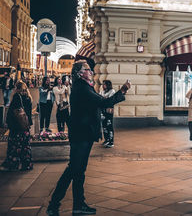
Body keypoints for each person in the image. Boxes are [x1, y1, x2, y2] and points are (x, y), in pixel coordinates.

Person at [46, 60, 131, 216]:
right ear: (80, 73)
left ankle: (79, 205)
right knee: (73, 170)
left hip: (83, 134)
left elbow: (99, 103)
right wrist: (123, 91)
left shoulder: (84, 87)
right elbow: (103, 102)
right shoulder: (83, 89)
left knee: (79, 171)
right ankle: (54, 204)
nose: (91, 71)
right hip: (81, 135)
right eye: (88, 69)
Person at [0, 81, 33, 171]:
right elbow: (28, 114)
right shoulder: (28, 97)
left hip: (17, 127)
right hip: (25, 126)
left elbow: (12, 112)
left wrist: (8, 123)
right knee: (25, 146)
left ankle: (13, 163)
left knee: (15, 146)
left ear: (17, 88)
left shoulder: (16, 97)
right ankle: (27, 164)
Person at [100, 80, 116, 148]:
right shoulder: (102, 91)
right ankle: (106, 140)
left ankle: (111, 141)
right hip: (103, 110)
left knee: (109, 125)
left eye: (104, 84)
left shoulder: (112, 91)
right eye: (103, 84)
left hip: (109, 111)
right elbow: (100, 98)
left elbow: (110, 100)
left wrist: (103, 99)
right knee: (104, 126)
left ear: (108, 85)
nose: (103, 86)